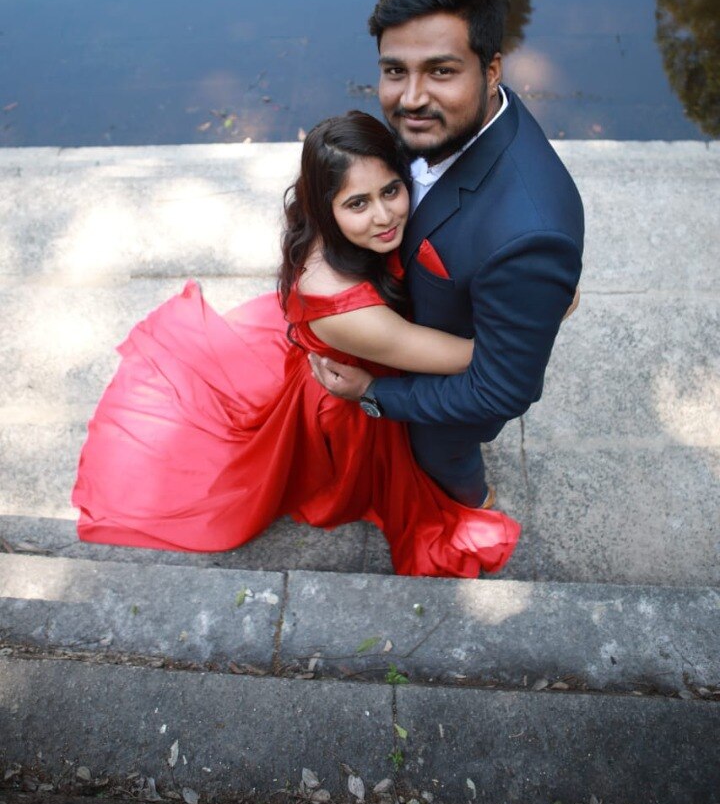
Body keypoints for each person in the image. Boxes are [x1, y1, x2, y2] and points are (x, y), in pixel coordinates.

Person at [72, 111, 521, 578]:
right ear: (328, 208)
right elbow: (469, 358)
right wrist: (536, 311)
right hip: (351, 406)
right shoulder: (343, 306)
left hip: (362, 357)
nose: (384, 216)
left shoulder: (332, 219)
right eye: (358, 204)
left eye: (391, 190)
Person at [310, 0, 584, 509]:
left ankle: (468, 508)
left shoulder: (529, 235)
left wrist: (374, 394)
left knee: (441, 462)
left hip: (444, 403)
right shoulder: (435, 124)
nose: (410, 98)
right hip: (408, 337)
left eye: (440, 71)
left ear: (491, 70)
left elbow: (501, 389)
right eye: (395, 71)